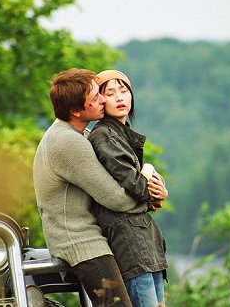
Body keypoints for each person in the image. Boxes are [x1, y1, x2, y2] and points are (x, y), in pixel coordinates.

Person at [33, 68, 159, 306]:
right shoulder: (68, 142)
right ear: (76, 110)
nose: (103, 99)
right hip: (81, 243)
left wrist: (153, 183)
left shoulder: (77, 133)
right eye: (95, 98)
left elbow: (126, 178)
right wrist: (149, 193)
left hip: (89, 238)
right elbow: (117, 199)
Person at [88, 69, 169, 307]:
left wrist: (160, 190)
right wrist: (150, 170)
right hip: (129, 242)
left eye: (124, 91)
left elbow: (143, 187)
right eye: (110, 93)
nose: (120, 98)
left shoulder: (121, 134)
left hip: (145, 242)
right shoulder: (104, 136)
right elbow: (136, 185)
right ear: (100, 100)